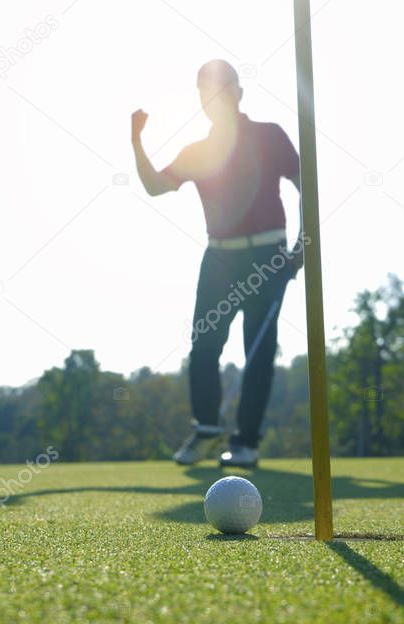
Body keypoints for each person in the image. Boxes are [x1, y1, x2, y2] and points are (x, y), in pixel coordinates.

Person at [131, 59, 303, 467]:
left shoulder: (269, 135)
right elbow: (156, 187)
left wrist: (302, 249)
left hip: (267, 255)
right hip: (219, 257)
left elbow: (306, 187)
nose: (214, 100)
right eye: (206, 94)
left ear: (239, 94)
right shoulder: (199, 150)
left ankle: (246, 443)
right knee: (204, 344)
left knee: (257, 349)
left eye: (223, 90)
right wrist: (137, 142)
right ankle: (207, 429)